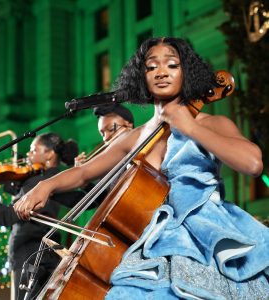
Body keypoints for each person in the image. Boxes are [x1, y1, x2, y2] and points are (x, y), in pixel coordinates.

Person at [14, 37, 269, 299]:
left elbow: (252, 163)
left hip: (202, 237)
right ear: (141, 77)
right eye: (151, 67)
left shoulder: (210, 123)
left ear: (187, 72)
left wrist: (189, 127)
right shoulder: (136, 138)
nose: (161, 72)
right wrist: (46, 185)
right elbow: (84, 172)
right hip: (151, 242)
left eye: (172, 64)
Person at [0, 133, 85, 300]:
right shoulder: (59, 179)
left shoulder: (38, 184)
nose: (28, 155)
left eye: (34, 150)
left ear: (49, 154)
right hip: (49, 253)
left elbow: (5, 216)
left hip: (28, 253)